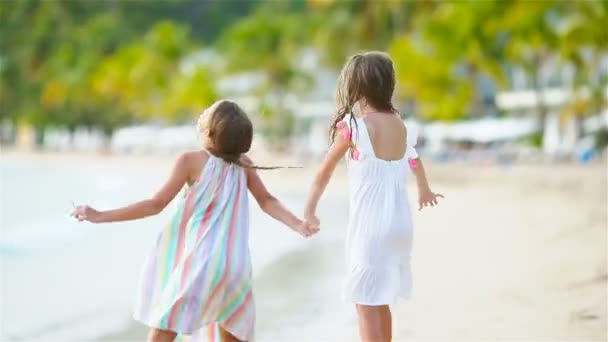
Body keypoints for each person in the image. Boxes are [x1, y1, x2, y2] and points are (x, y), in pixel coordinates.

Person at [72, 100, 317, 342]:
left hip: (203, 262)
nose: (201, 114)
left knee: (163, 329)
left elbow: (155, 205)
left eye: (206, 113)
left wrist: (101, 215)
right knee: (231, 327)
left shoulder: (190, 161)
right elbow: (267, 200)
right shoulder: (244, 164)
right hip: (236, 265)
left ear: (209, 132)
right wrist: (298, 224)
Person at [303, 52, 444, 341]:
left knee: (364, 302)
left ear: (356, 87)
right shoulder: (400, 124)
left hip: (371, 228)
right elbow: (414, 160)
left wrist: (309, 211)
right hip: (400, 226)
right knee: (381, 299)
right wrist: (424, 189)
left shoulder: (353, 128)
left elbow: (323, 173)